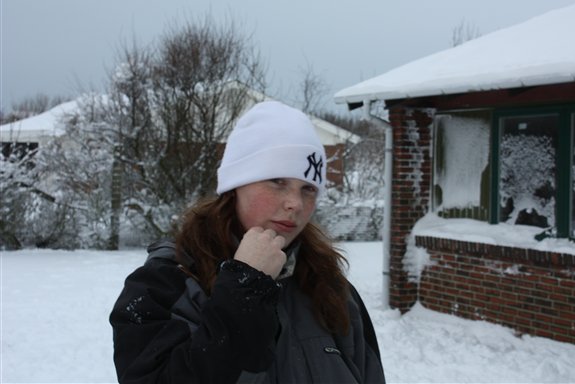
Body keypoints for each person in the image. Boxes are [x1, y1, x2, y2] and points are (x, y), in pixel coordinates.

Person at [109, 101, 386, 384]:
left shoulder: (329, 288)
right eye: (277, 181)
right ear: (236, 184)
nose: (296, 203)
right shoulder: (166, 285)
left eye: (308, 189)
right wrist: (245, 288)